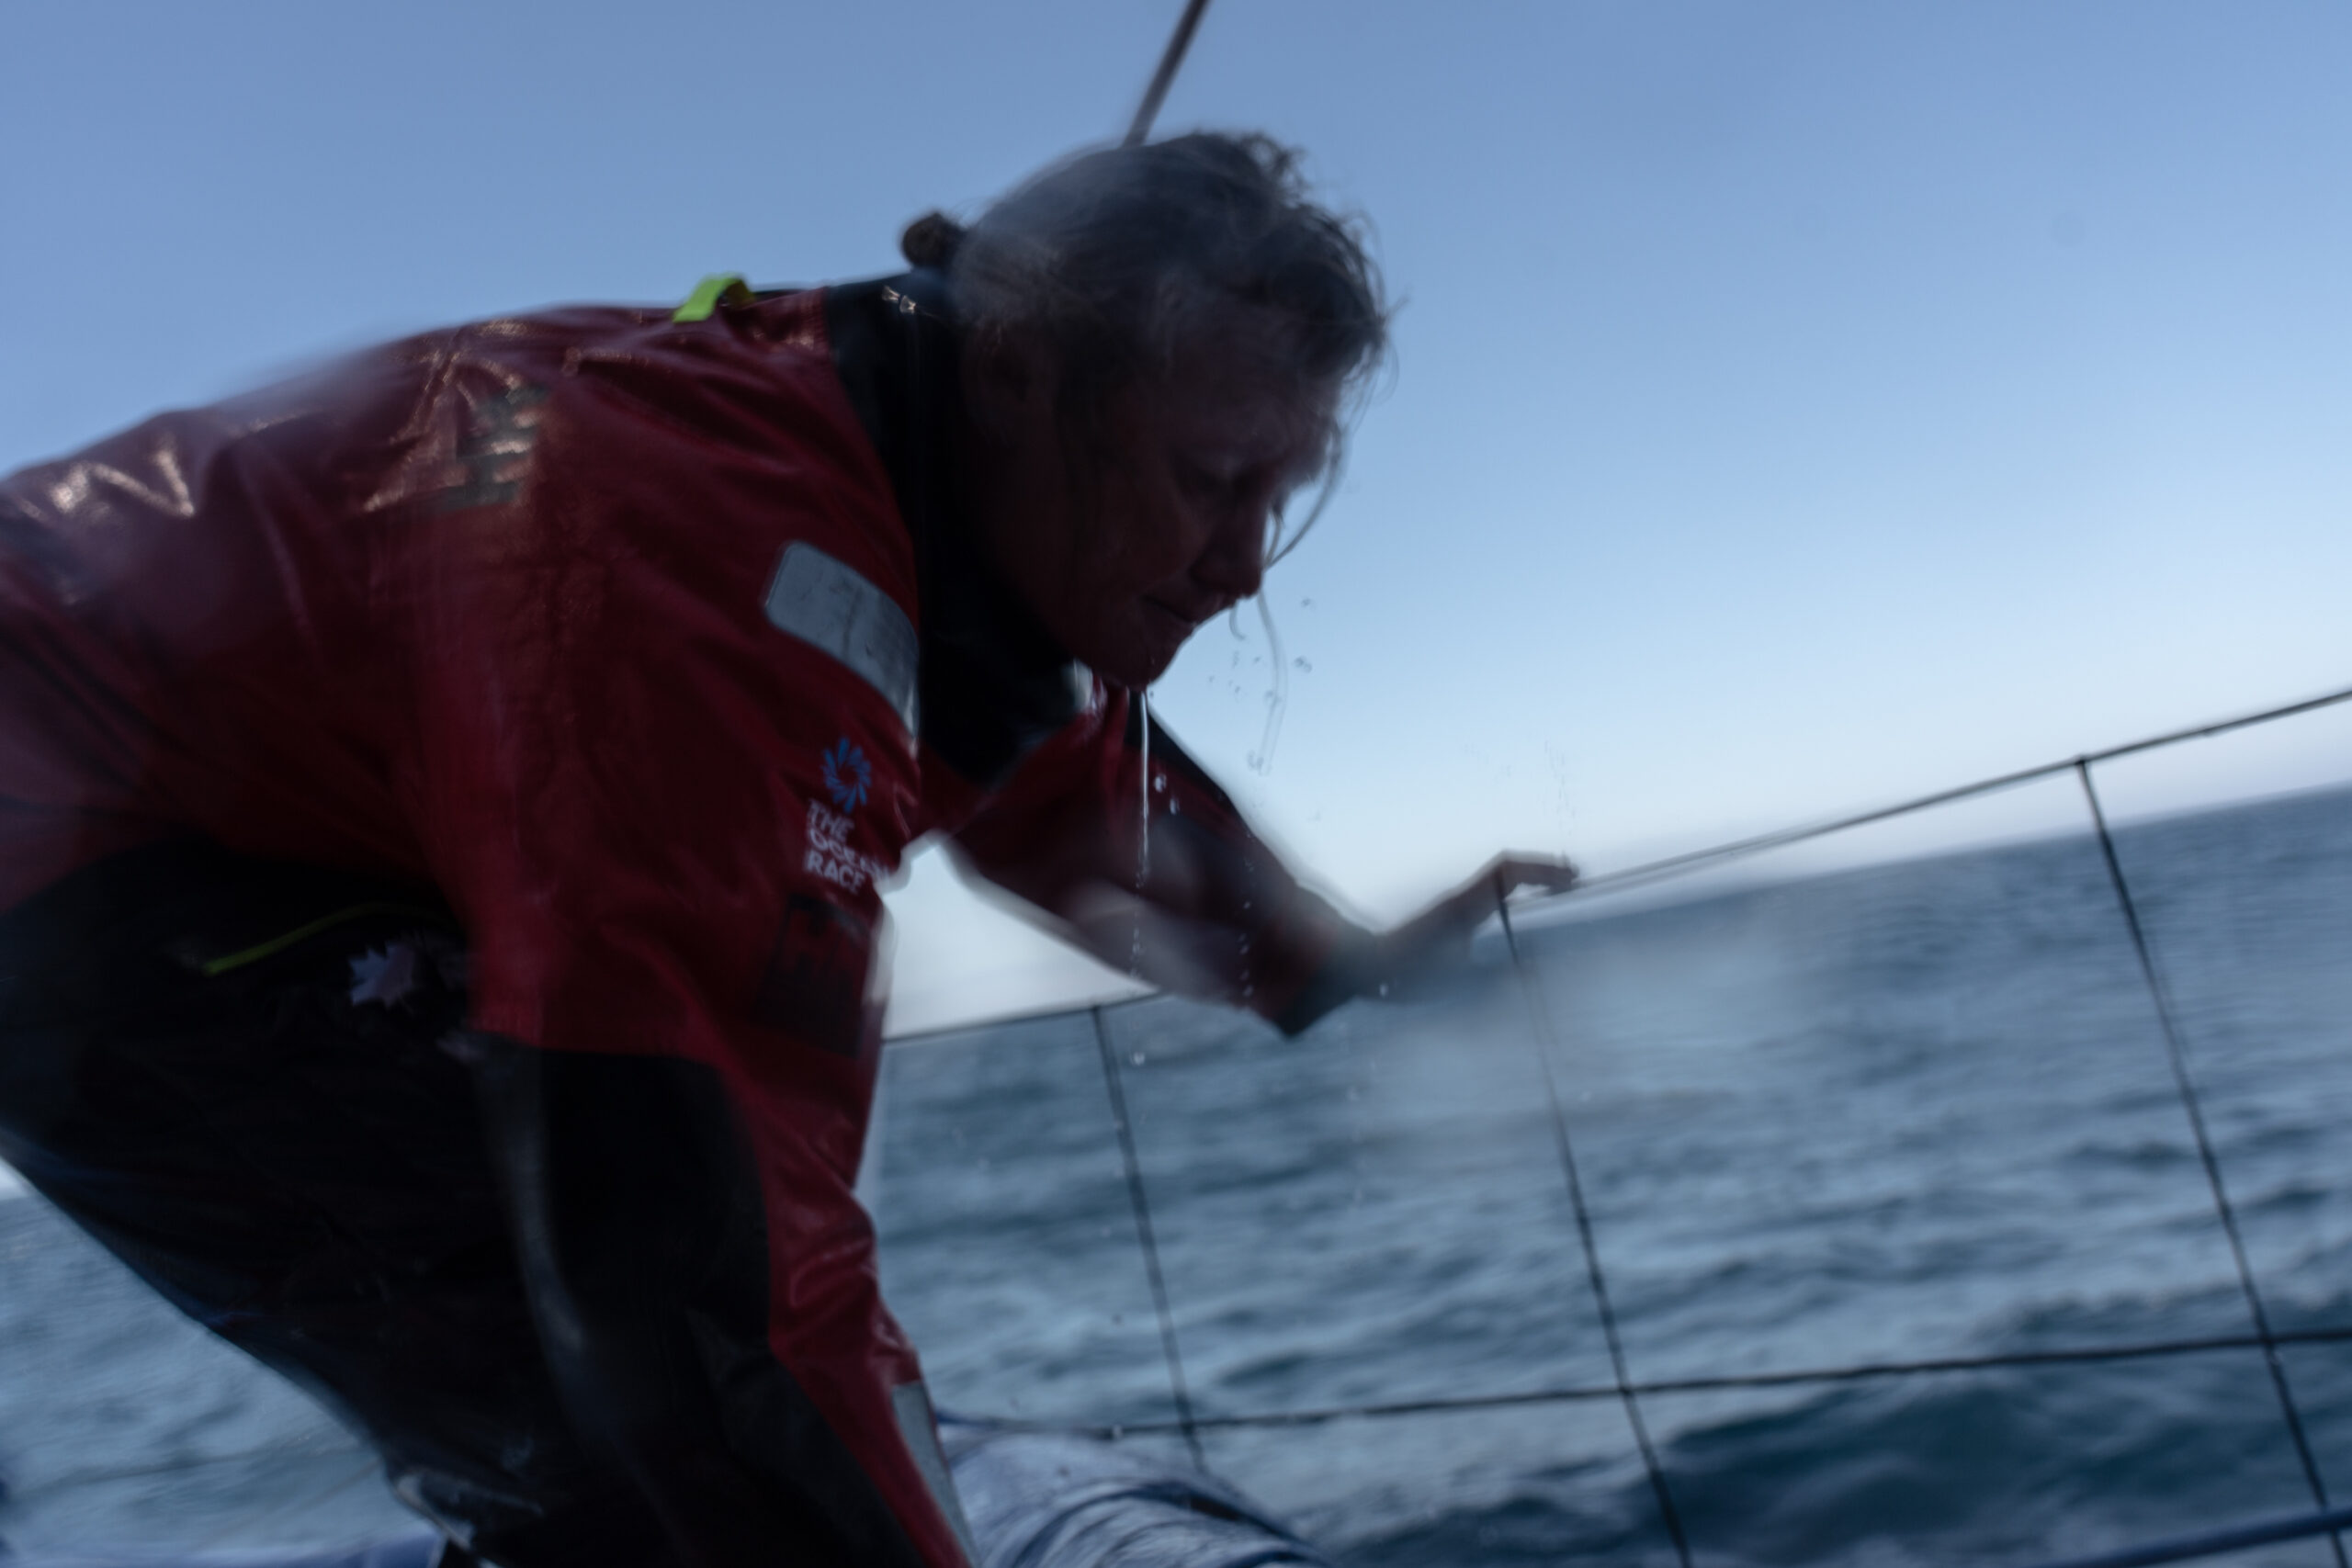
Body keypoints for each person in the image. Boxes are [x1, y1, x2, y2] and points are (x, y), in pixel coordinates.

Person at [0, 133, 1575, 1567]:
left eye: (1277, 500)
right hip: (66, 828)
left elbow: (1064, 781)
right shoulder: (704, 572)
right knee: (609, 1402)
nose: (1243, 569)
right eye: (1209, 482)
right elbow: (703, 1271)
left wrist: (1336, 964)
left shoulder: (918, 503)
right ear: (1015, 373)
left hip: (244, 821)